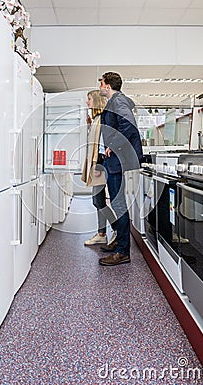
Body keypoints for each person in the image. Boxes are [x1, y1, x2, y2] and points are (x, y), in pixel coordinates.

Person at [98, 72, 143, 266]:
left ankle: (123, 251)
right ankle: (118, 242)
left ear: (107, 85)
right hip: (113, 160)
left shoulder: (119, 101)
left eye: (101, 83)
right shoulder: (115, 102)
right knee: (117, 202)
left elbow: (129, 126)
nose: (100, 86)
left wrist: (113, 145)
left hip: (117, 160)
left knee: (118, 204)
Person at [81, 90, 117, 246]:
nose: (87, 102)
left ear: (96, 101)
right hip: (99, 163)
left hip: (101, 163)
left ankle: (116, 228)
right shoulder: (96, 119)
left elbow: (103, 145)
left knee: (98, 200)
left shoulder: (103, 119)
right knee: (99, 200)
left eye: (89, 99)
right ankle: (102, 233)